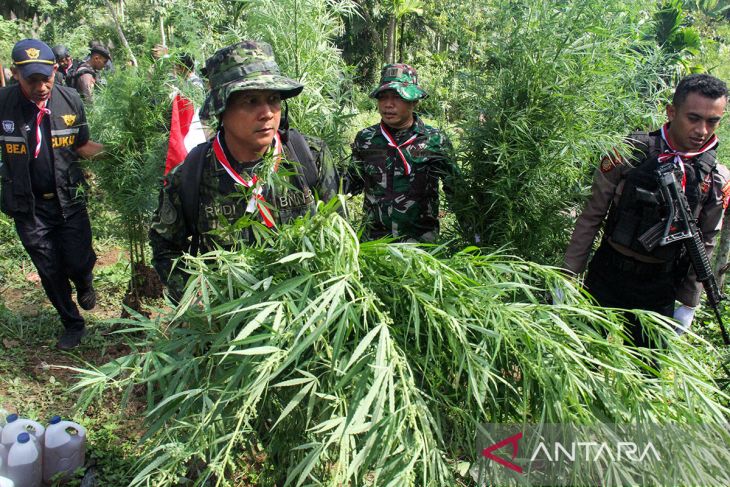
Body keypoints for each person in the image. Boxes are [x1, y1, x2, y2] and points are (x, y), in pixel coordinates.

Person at [149, 41, 340, 300]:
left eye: (273, 99)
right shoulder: (190, 175)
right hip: (227, 321)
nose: (267, 113)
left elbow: (338, 232)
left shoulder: (310, 157)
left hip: (305, 314)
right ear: (221, 109)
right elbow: (166, 250)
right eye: (251, 101)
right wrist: (195, 302)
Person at [563, 74, 729, 348]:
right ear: (672, 112)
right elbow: (591, 216)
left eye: (712, 121)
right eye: (693, 118)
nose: (702, 130)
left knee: (647, 375)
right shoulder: (630, 152)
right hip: (607, 273)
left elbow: (706, 241)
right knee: (583, 357)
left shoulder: (715, 178)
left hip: (659, 286)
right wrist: (567, 274)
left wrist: (689, 304)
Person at [0, 39, 104, 349]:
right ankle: (72, 323)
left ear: (55, 70)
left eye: (46, 77)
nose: (41, 86)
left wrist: (120, 152)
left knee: (78, 259)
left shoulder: (70, 99)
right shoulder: (3, 104)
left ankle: (85, 280)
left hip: (69, 199)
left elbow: (83, 146)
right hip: (27, 205)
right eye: (31, 79)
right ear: (16, 74)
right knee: (49, 269)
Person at [347, 63, 464, 242]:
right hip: (374, 245)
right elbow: (349, 185)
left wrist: (477, 239)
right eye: (383, 97)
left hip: (421, 246)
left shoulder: (434, 141)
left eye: (397, 97)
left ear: (414, 101)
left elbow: (457, 193)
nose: (388, 105)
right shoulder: (365, 139)